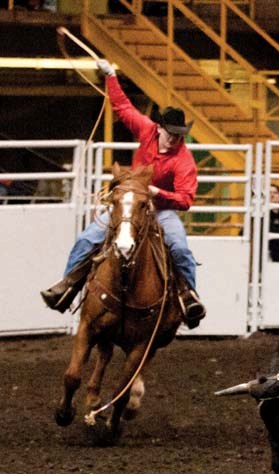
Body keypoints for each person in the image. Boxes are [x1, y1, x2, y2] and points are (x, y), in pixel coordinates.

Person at [40, 58, 206, 329]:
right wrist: (110, 75)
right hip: (129, 204)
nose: (175, 139)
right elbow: (122, 106)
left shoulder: (183, 160)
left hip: (161, 209)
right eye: (171, 134)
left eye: (179, 136)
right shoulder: (147, 131)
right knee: (88, 239)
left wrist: (157, 192)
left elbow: (186, 199)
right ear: (160, 128)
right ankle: (67, 285)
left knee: (179, 248)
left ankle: (188, 296)